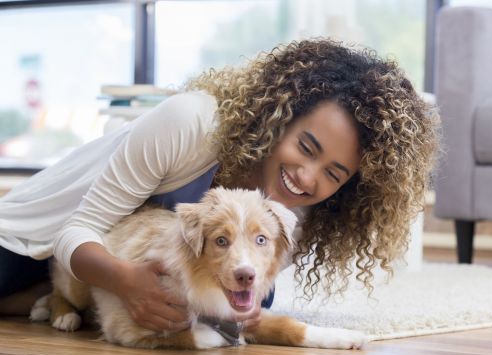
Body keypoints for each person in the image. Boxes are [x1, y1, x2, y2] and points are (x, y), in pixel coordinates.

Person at [0, 38, 439, 332]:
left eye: (334, 174)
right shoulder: (191, 123)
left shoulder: (295, 217)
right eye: (306, 147)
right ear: (280, 118)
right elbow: (75, 230)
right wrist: (126, 282)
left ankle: (46, 298)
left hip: (105, 255)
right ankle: (41, 292)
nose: (308, 177)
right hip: (33, 234)